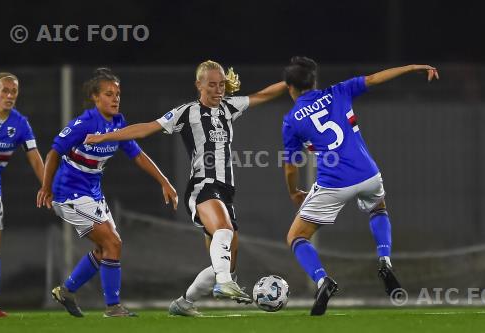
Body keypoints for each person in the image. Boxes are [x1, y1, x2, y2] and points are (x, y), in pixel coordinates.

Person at [84, 60, 287, 316]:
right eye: (211, 84)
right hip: (202, 186)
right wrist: (105, 136)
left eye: (221, 84)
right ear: (198, 85)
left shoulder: (229, 107)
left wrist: (291, 81)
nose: (218, 89)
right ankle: (224, 285)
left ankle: (184, 303)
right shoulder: (187, 112)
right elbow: (146, 128)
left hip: (225, 192)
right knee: (223, 233)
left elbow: (263, 95)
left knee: (223, 264)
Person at [282, 57, 439, 316]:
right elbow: (376, 78)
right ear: (315, 80)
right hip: (368, 174)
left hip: (334, 183)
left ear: (290, 87)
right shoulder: (339, 91)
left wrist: (293, 191)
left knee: (296, 237)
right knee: (378, 209)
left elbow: (291, 165)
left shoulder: (291, 120)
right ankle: (385, 260)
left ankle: (323, 280)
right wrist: (411, 68)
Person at [36, 68, 178, 318]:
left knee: (106, 250)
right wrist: (46, 187)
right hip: (69, 193)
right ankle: (113, 307)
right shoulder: (84, 123)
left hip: (91, 193)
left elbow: (138, 155)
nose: (115, 99)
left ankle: (67, 291)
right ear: (95, 97)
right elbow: (53, 153)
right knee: (113, 242)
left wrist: (164, 181)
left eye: (118, 94)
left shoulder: (118, 124)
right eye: (108, 94)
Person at [0, 73, 44, 317]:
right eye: (5, 90)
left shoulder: (21, 124)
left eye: (14, 92)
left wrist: (48, 187)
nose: (9, 95)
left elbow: (35, 158)